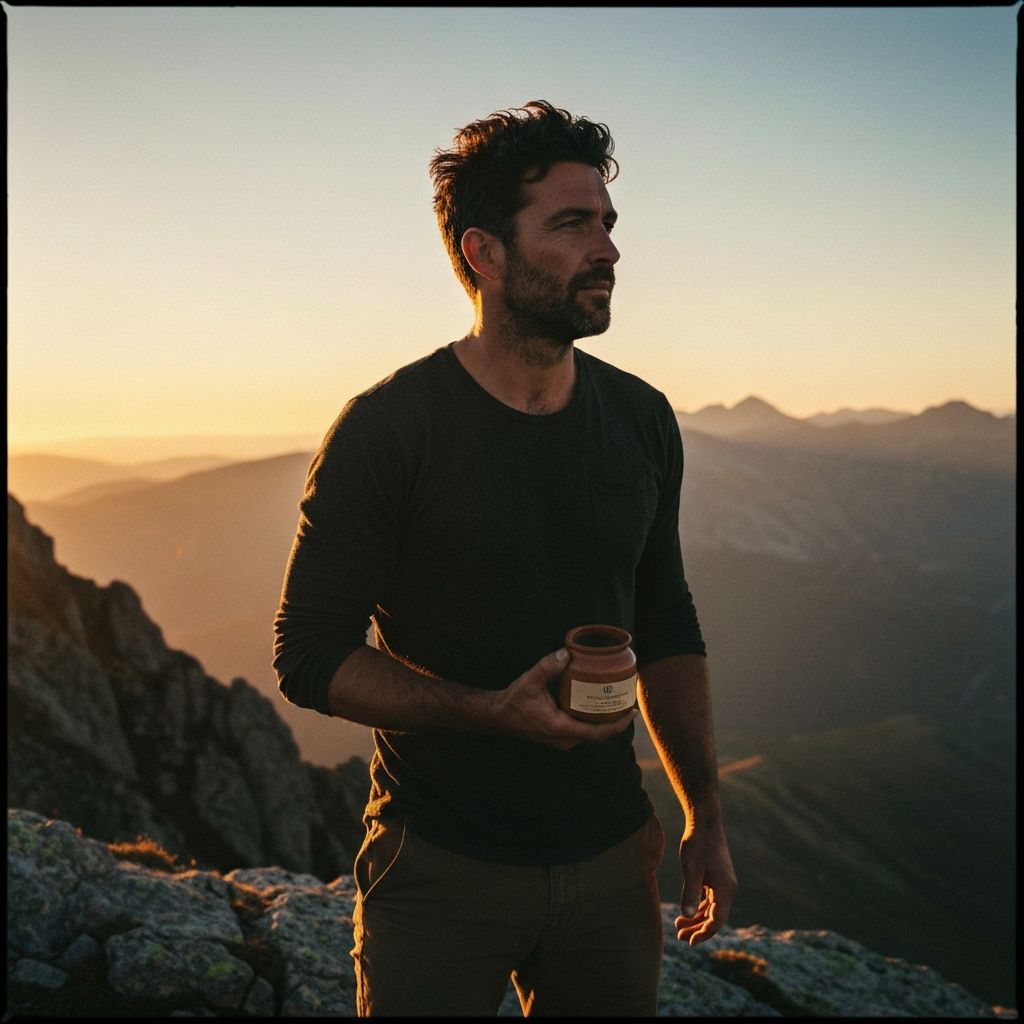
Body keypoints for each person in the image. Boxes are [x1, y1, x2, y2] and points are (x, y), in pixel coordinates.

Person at [273, 99, 737, 1017]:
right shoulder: (390, 430)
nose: (607, 249)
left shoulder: (641, 418)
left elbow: (666, 617)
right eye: (572, 224)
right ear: (485, 254)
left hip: (612, 865)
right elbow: (309, 653)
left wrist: (704, 819)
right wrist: (489, 712)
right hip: (440, 872)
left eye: (607, 224)